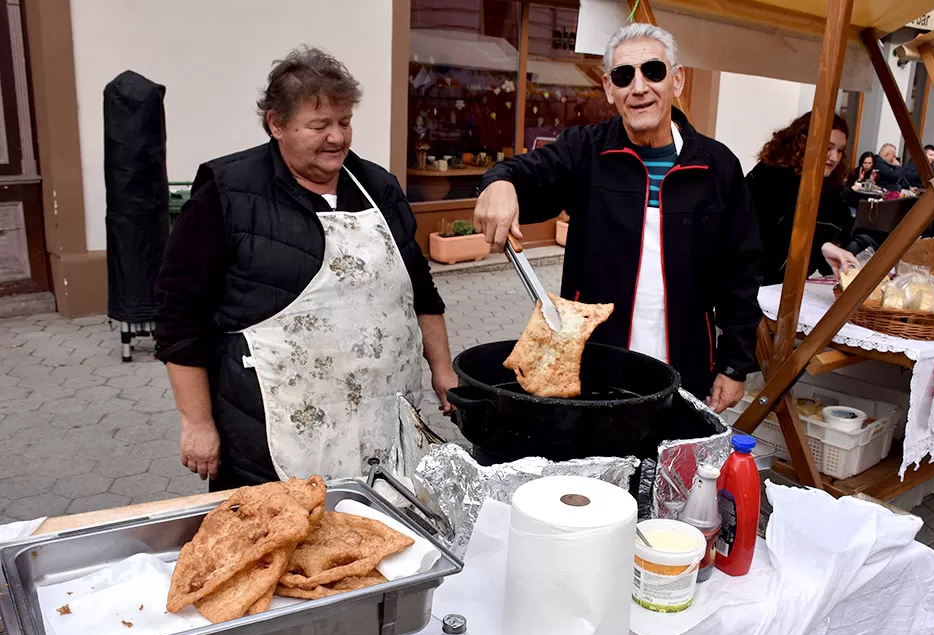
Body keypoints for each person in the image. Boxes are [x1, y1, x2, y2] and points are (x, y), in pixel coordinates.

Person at [155, 47, 458, 489]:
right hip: (274, 434)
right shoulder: (228, 193)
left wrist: (443, 371)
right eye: (319, 125)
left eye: (344, 122)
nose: (337, 138)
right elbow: (179, 315)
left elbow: (420, 289)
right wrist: (196, 424)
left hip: (382, 423)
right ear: (276, 124)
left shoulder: (378, 187)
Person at [474, 24, 762, 413]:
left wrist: (734, 365)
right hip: (596, 362)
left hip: (687, 364)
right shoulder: (585, 152)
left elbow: (740, 274)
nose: (639, 87)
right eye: (625, 76)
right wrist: (497, 183)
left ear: (677, 80)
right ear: (610, 89)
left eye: (653, 71)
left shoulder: (717, 166)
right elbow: (522, 174)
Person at [747, 112, 877, 286]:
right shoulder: (770, 175)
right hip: (753, 282)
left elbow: (840, 226)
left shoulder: (827, 185)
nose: (834, 157)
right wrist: (823, 246)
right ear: (804, 142)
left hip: (784, 285)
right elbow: (772, 231)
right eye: (828, 148)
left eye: (839, 150)